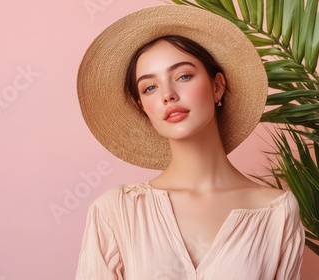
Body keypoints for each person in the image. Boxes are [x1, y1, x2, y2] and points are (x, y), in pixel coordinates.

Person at [75, 5, 304, 280]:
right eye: (150, 87)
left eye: (183, 76)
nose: (168, 95)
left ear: (217, 86)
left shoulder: (276, 211)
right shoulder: (116, 211)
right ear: (142, 107)